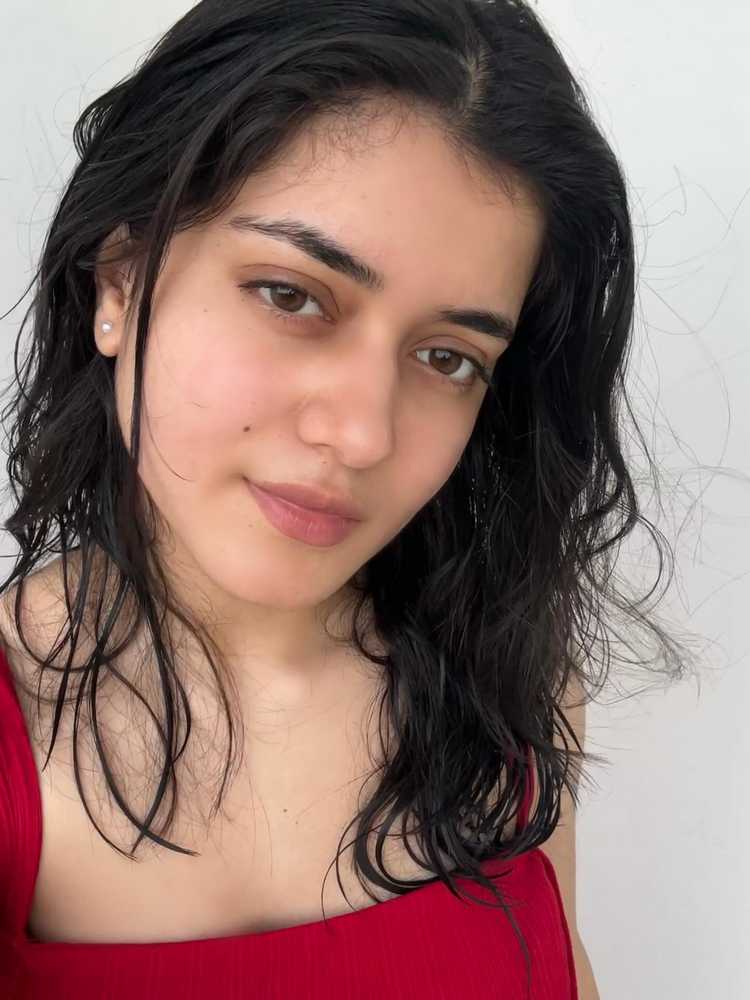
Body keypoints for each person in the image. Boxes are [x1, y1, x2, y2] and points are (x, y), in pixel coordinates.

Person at [0, 1, 696, 997]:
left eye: (448, 357)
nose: (364, 433)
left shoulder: (514, 693)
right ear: (119, 282)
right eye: (292, 295)